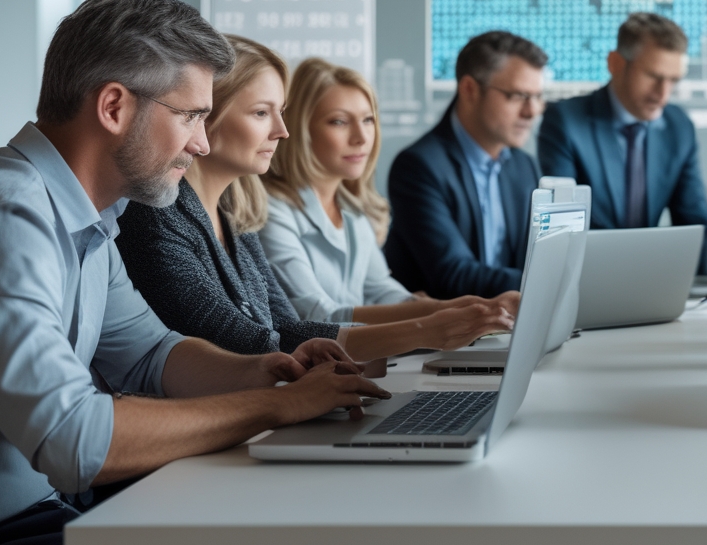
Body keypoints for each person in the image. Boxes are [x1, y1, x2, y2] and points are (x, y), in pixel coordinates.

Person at [0, 0, 390, 545]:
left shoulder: (91, 219)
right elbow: (72, 440)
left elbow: (150, 354)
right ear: (114, 106)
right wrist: (276, 407)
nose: (200, 142)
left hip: (44, 521)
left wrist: (268, 372)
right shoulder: (10, 213)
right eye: (191, 116)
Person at [117, 36, 512, 362]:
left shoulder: (234, 213)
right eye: (260, 113)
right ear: (206, 116)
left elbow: (289, 328)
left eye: (281, 112)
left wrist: (449, 317)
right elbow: (252, 344)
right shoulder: (155, 218)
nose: (282, 132)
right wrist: (429, 327)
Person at [259, 58, 519, 324]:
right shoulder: (272, 210)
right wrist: (453, 313)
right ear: (301, 129)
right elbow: (316, 315)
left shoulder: (352, 209)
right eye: (339, 122)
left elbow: (381, 291)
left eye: (368, 120)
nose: (361, 137)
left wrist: (469, 307)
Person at [538, 12, 707, 274]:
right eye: (653, 76)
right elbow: (563, 232)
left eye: (673, 80)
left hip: (652, 280)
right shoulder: (565, 121)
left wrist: (694, 292)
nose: (662, 94)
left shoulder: (679, 127)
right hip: (587, 280)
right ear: (615, 63)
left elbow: (695, 221)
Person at [383, 31, 545, 299]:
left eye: (538, 97)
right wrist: (550, 283)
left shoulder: (523, 166)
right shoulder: (419, 166)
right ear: (469, 89)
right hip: (446, 334)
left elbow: (535, 257)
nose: (532, 112)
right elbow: (453, 274)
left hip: (509, 325)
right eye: (518, 96)